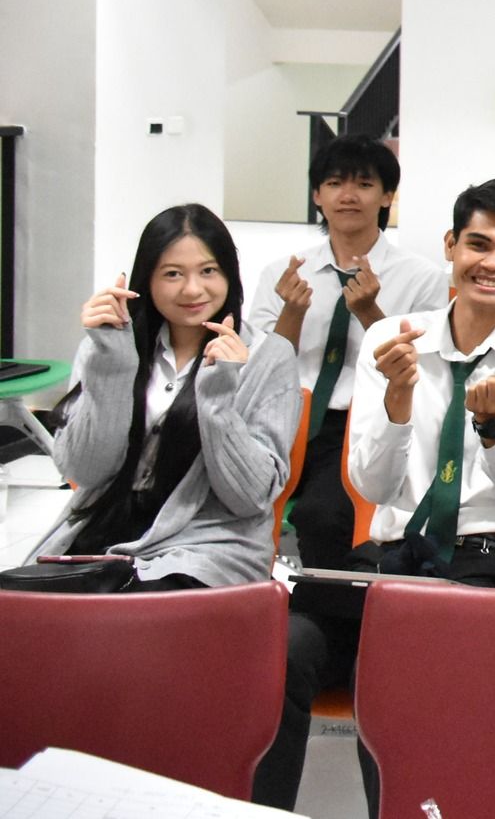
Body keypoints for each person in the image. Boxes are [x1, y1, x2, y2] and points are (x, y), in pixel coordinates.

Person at [252, 179, 495, 811]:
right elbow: (372, 487)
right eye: (478, 244)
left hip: (480, 560)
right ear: (451, 246)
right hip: (387, 560)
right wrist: (398, 403)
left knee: (396, 664)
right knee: (280, 651)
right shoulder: (393, 338)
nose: (492, 263)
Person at [30, 205, 298, 591]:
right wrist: (112, 365)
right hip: (107, 528)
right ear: (147, 279)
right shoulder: (109, 346)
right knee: (25, 608)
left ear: (229, 274)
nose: (192, 289)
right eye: (173, 274)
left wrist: (217, 398)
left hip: (210, 543)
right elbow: (84, 471)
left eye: (208, 271)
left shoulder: (267, 356)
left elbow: (250, 498)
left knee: (139, 609)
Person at [245, 137, 446, 571]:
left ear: (387, 196)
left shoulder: (421, 277)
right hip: (284, 420)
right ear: (317, 195)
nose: (348, 196)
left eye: (364, 185)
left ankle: (331, 608)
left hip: (357, 423)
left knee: (323, 516)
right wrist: (292, 314)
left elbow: (422, 370)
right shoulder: (282, 273)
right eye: (335, 183)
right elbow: (259, 369)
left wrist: (370, 313)